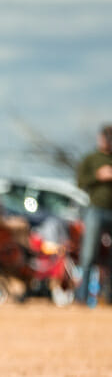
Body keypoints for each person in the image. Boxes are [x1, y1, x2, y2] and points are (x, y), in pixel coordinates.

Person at [76, 124, 112, 305]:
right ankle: (82, 296)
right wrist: (98, 176)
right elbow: (80, 181)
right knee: (88, 254)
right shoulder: (92, 159)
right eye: (105, 137)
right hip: (95, 210)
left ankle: (109, 297)